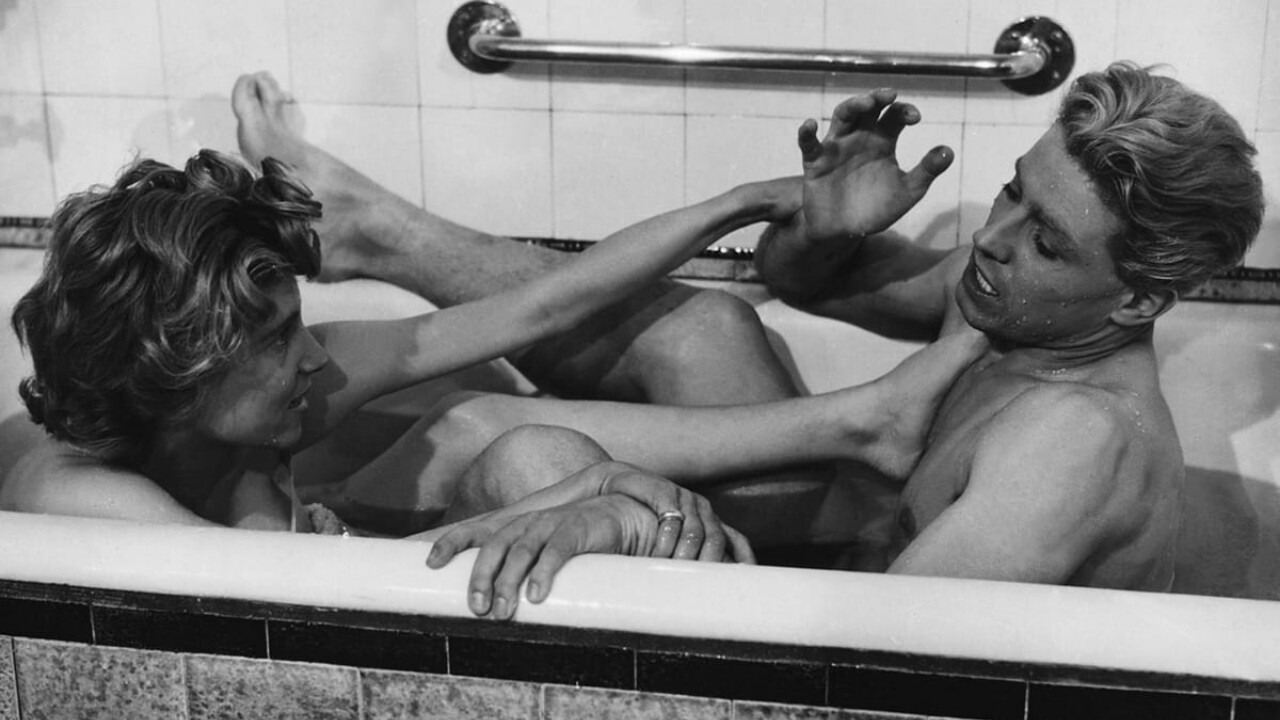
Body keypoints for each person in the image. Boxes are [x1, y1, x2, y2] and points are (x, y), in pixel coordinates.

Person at [0, 78, 986, 620]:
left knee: (483, 415)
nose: (315, 357)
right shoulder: (82, 500)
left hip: (325, 532)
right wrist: (588, 497)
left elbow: (543, 306)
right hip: (308, 580)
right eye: (275, 340)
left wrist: (748, 200)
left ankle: (864, 425)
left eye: (296, 324)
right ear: (177, 374)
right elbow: (302, 611)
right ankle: (861, 436)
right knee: (516, 444)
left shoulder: (241, 399)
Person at [751, 62, 1265, 589]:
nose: (988, 238)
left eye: (1045, 244)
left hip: (900, 629)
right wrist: (825, 233)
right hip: (878, 585)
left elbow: (894, 636)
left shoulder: (1075, 440)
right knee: (712, 324)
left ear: (1138, 302)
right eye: (1013, 191)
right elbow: (802, 284)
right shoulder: (1000, 297)